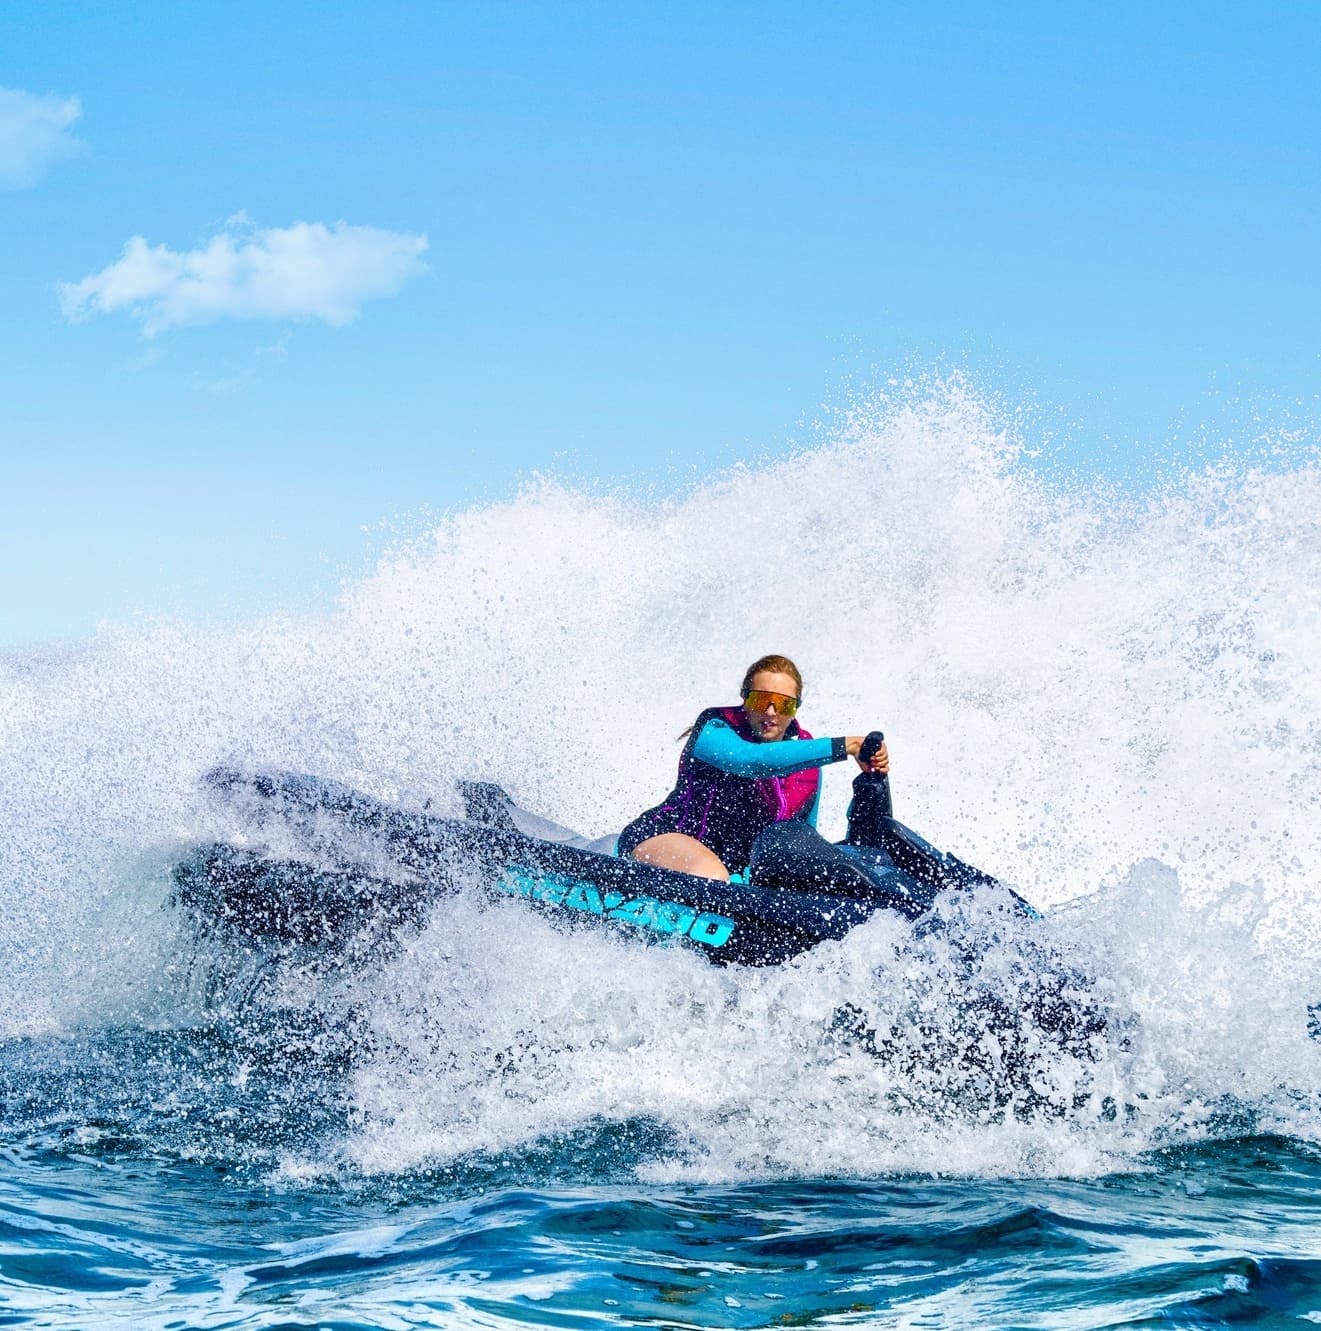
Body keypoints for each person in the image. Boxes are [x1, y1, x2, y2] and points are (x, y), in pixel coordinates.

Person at [616, 654, 889, 882]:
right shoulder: (714, 728)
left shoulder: (806, 762)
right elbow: (750, 760)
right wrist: (847, 745)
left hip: (733, 874)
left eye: (784, 704)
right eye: (761, 700)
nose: (771, 712)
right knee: (711, 875)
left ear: (795, 709)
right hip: (663, 838)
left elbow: (801, 835)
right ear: (745, 698)